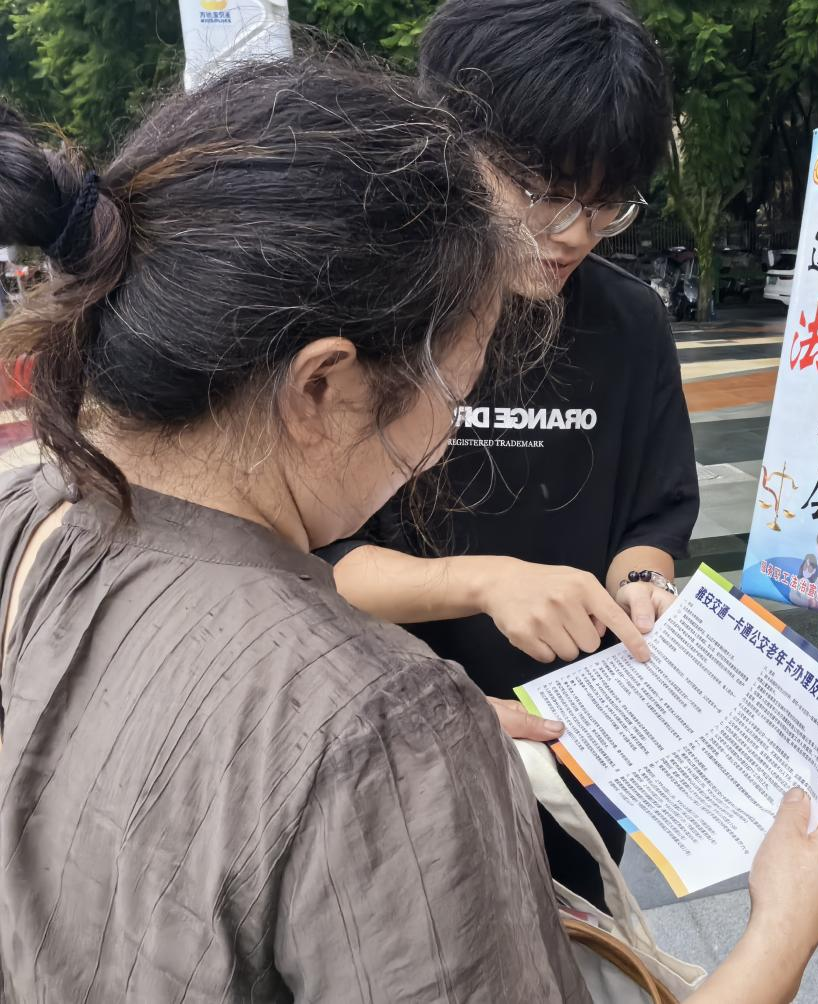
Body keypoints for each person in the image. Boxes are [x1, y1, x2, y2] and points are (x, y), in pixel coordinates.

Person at [0, 58, 818, 1002]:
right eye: (456, 387)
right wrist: (785, 927)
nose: (452, 433)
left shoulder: (28, 518)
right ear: (322, 386)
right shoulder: (384, 722)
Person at [323, 0, 698, 904]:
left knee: (579, 933)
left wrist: (641, 585)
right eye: (539, 189)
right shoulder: (365, 321)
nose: (573, 232)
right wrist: (484, 582)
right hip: (398, 736)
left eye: (605, 201)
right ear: (447, 147)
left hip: (579, 736)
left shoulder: (629, 322)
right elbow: (307, 561)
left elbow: (653, 516)